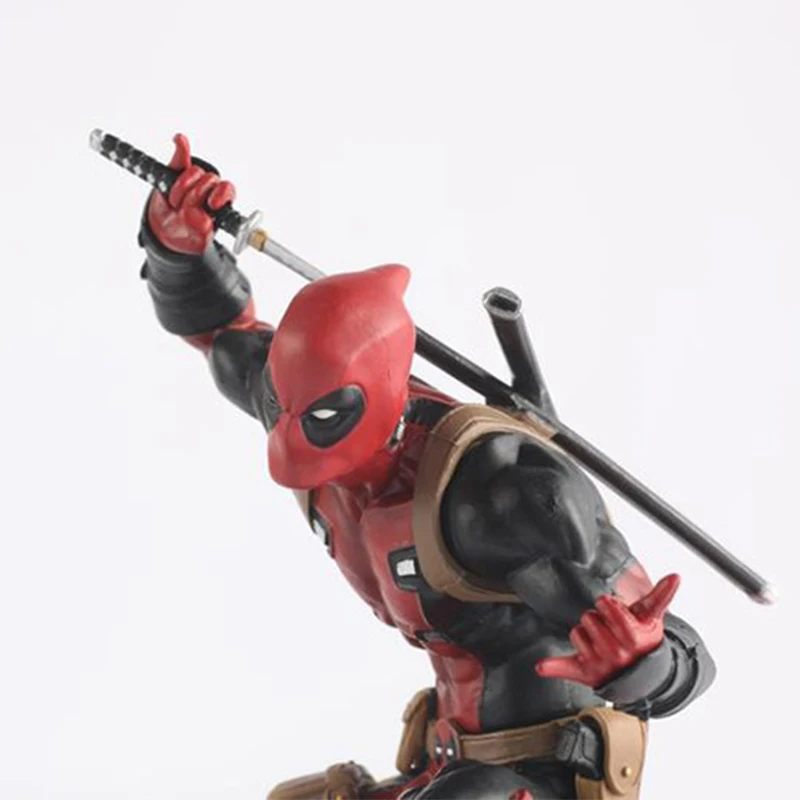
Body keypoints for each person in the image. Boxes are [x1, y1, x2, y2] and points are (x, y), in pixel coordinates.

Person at [137, 134, 716, 800]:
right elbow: (220, 331)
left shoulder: (499, 493)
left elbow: (679, 655)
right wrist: (177, 249)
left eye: (322, 419)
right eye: (279, 406)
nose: (291, 448)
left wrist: (644, 662)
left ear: (381, 400)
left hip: (543, 774)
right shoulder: (299, 404)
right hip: (445, 760)